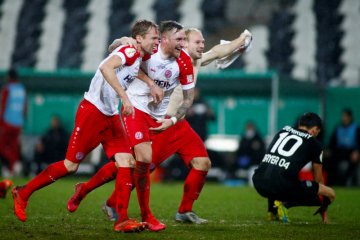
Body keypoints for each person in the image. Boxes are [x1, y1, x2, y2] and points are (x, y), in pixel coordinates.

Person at [67, 26, 252, 225]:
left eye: (202, 42)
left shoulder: (193, 61)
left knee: (202, 163)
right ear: (182, 42)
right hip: (156, 122)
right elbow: (134, 52)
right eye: (197, 42)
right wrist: (123, 40)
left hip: (177, 124)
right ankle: (94, 194)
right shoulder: (158, 54)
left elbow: (217, 52)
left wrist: (242, 38)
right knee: (134, 166)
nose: (202, 45)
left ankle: (184, 210)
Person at [12, 19, 159, 233]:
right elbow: (106, 67)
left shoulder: (139, 52)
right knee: (70, 166)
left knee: (126, 161)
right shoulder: (131, 51)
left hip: (110, 114)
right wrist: (124, 98)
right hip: (93, 112)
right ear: (140, 38)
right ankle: (23, 192)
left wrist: (149, 81)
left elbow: (115, 52)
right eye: (154, 38)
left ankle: (122, 219)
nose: (156, 42)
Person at [252, 113, 336, 223]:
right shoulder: (314, 143)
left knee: (278, 171)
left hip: (258, 181)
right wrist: (323, 207)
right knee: (330, 194)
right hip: (281, 186)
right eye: (318, 132)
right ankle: (285, 205)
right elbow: (318, 180)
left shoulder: (283, 130)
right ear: (315, 129)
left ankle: (272, 212)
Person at [0, 68, 27, 176]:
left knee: (2, 146)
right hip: (18, 123)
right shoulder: (22, 89)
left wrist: (1, 123)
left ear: (9, 77)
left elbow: (3, 106)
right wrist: (22, 121)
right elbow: (25, 107)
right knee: (14, 146)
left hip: (7, 122)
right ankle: (14, 166)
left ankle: (11, 165)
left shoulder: (7, 89)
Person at [326, 108, 360, 186]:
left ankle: (348, 182)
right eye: (343, 116)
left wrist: (357, 151)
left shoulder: (356, 128)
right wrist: (328, 150)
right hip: (339, 151)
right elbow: (332, 142)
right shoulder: (338, 128)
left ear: (349, 117)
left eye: (345, 116)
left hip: (351, 151)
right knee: (329, 160)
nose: (343, 118)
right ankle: (330, 183)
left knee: (353, 162)